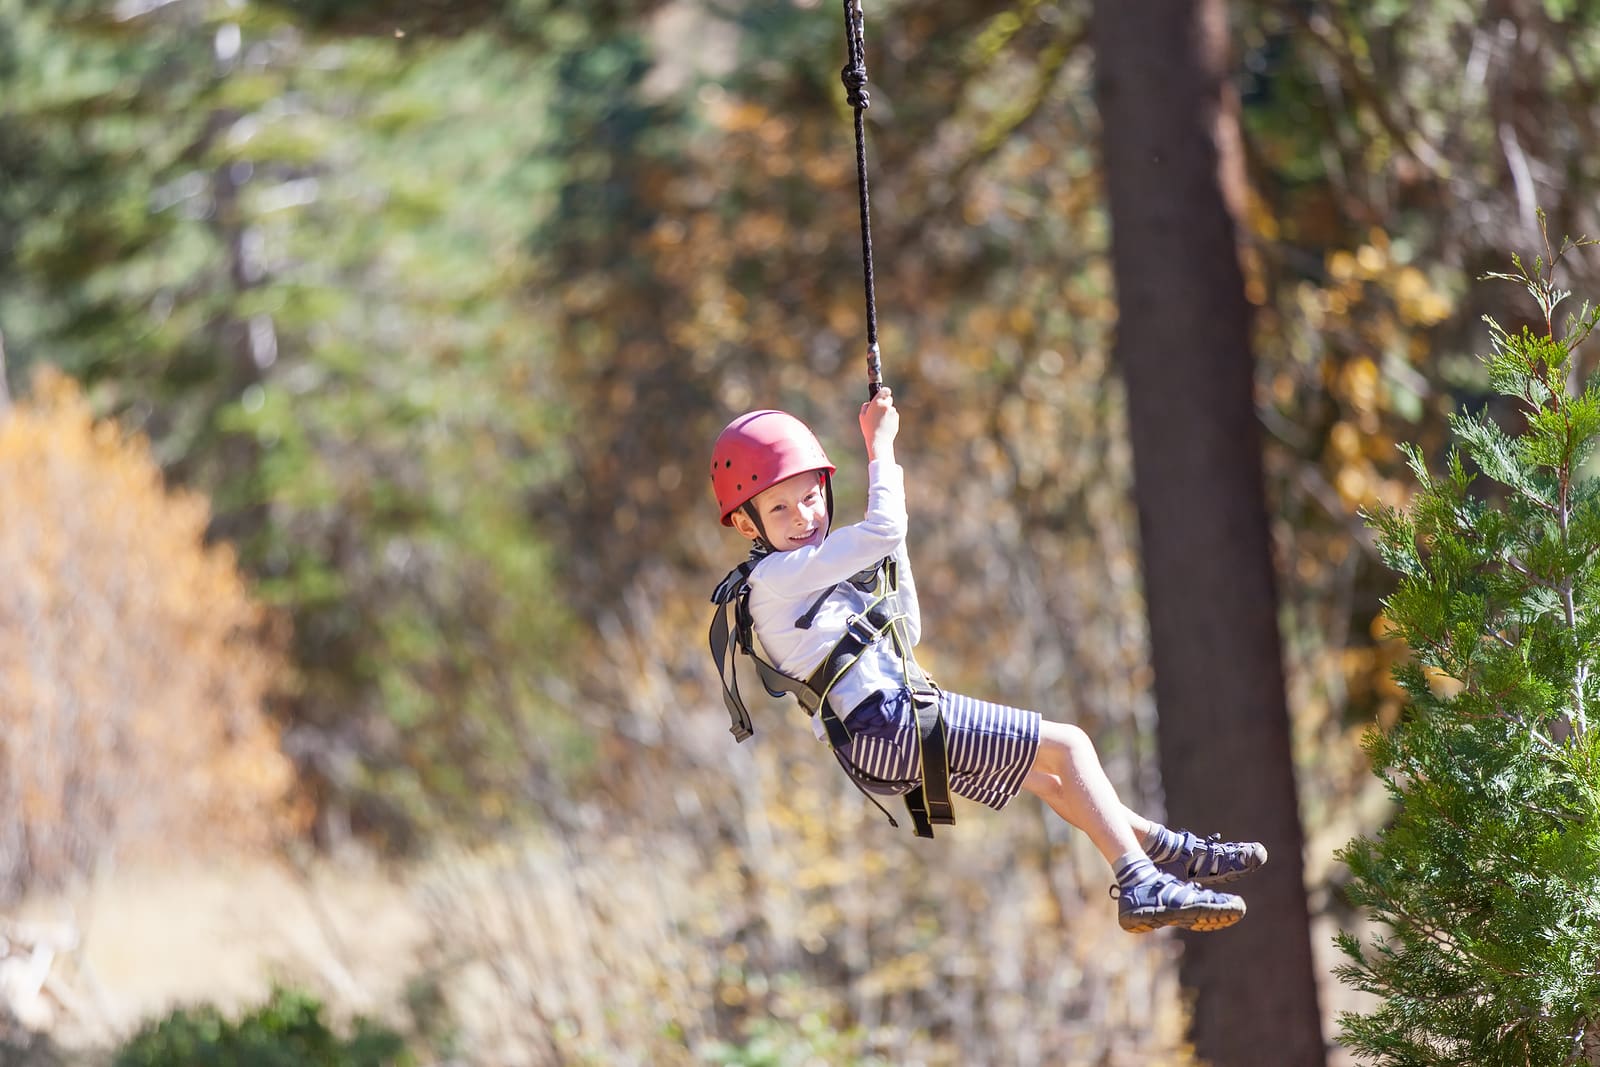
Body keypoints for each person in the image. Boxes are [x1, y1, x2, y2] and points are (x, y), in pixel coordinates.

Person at [708, 391, 1266, 932]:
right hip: (889, 724)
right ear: (747, 524)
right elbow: (884, 528)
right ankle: (1142, 881)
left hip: (884, 736)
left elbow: (907, 627)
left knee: (1053, 777)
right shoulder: (776, 579)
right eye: (779, 508)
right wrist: (882, 450)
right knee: (1069, 745)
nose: (802, 516)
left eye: (809, 497)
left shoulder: (812, 576)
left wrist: (886, 551)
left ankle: (1171, 851)